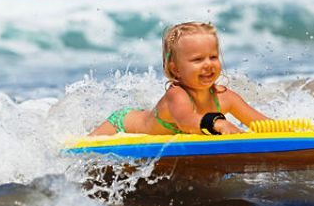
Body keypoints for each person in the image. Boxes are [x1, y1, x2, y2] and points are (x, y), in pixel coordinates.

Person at [89, 21, 269, 136]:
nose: (208, 64)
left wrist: (291, 131)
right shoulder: (177, 95)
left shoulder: (225, 97)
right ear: (176, 69)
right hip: (121, 125)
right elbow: (186, 122)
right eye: (198, 59)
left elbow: (261, 124)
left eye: (213, 57)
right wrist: (218, 123)